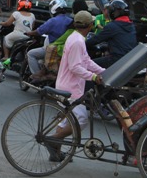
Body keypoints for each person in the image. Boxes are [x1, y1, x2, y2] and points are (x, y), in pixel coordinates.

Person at [45, 10, 105, 162]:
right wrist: (93, 76)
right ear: (90, 25)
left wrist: (103, 72)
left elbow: (87, 61)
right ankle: (53, 140)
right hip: (70, 87)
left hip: (68, 84)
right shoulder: (78, 41)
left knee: (66, 119)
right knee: (82, 119)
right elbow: (75, 67)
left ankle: (55, 151)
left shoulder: (77, 38)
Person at [25, 0, 73, 76]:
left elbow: (39, 31)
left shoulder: (52, 21)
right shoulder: (70, 20)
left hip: (53, 49)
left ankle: (36, 75)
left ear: (54, 8)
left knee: (30, 54)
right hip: (66, 49)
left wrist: (29, 33)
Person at [86, 0, 137, 68]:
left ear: (114, 12)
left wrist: (82, 44)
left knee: (87, 65)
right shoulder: (131, 25)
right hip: (129, 59)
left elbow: (96, 39)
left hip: (116, 59)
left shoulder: (113, 26)